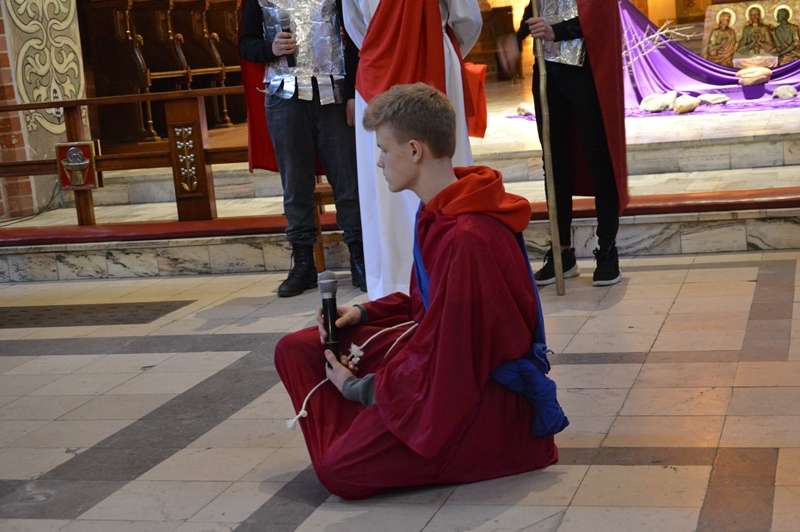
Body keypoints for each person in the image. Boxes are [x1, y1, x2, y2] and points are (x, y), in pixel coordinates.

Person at [274, 84, 566, 499]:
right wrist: (363, 314)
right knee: (297, 349)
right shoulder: (442, 209)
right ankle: (375, 435)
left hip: (481, 400)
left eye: (384, 149)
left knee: (338, 471)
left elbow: (449, 360)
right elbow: (426, 307)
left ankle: (377, 438)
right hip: (445, 364)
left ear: (414, 150)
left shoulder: (467, 236)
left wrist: (363, 388)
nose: (379, 161)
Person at [342, 0, 482, 299]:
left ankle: (391, 286)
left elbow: (354, 23)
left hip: (376, 65)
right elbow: (467, 20)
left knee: (383, 187)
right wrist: (432, 41)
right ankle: (447, 274)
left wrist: (385, 45)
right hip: (431, 56)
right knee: (437, 167)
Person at [239, 0, 366, 297]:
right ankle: (304, 263)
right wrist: (269, 48)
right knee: (295, 185)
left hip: (333, 92)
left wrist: (352, 93)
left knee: (347, 180)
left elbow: (354, 38)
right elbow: (246, 44)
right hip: (284, 94)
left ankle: (359, 256)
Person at [510, 1, 629, 287]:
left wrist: (557, 31)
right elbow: (536, 7)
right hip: (548, 72)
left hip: (587, 71)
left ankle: (607, 250)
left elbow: (599, 14)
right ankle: (561, 252)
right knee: (554, 162)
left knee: (599, 156)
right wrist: (517, 38)